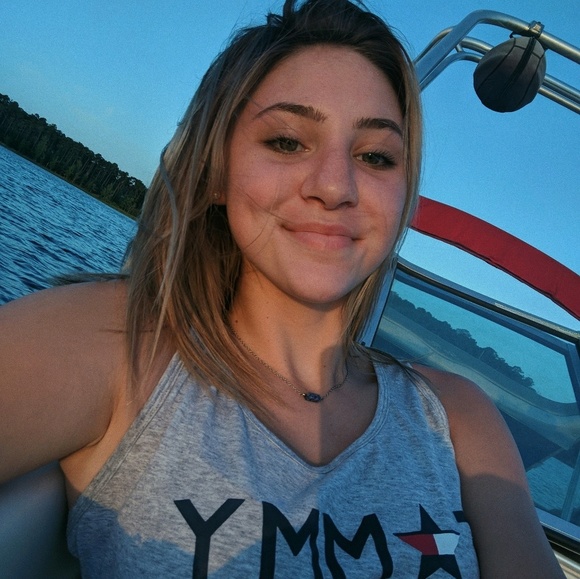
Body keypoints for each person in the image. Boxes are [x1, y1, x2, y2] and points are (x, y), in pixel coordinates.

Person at [0, 0, 565, 577]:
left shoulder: (458, 420)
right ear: (217, 173)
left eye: (375, 156)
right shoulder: (120, 345)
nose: (335, 186)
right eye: (287, 142)